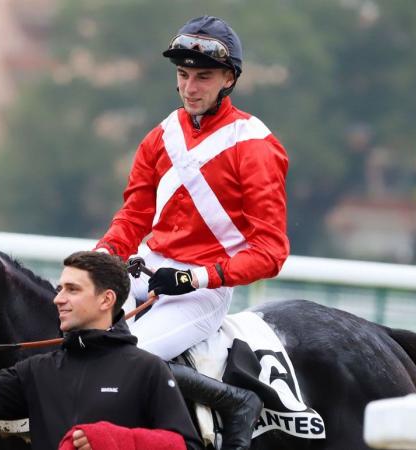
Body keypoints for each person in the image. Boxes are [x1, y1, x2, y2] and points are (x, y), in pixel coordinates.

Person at [94, 16, 289, 450]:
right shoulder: (161, 136)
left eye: (203, 77)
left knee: (124, 359)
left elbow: (271, 252)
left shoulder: (255, 145)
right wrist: (103, 257)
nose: (190, 88)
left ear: (229, 80)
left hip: (202, 289)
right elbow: (134, 215)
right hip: (145, 269)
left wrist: (194, 278)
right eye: (183, 75)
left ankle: (236, 402)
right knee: (69, 329)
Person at [0, 251, 202, 450]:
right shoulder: (37, 370)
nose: (58, 299)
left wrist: (113, 440)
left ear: (106, 300)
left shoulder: (147, 369)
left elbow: (184, 445)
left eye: (72, 290)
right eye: (60, 288)